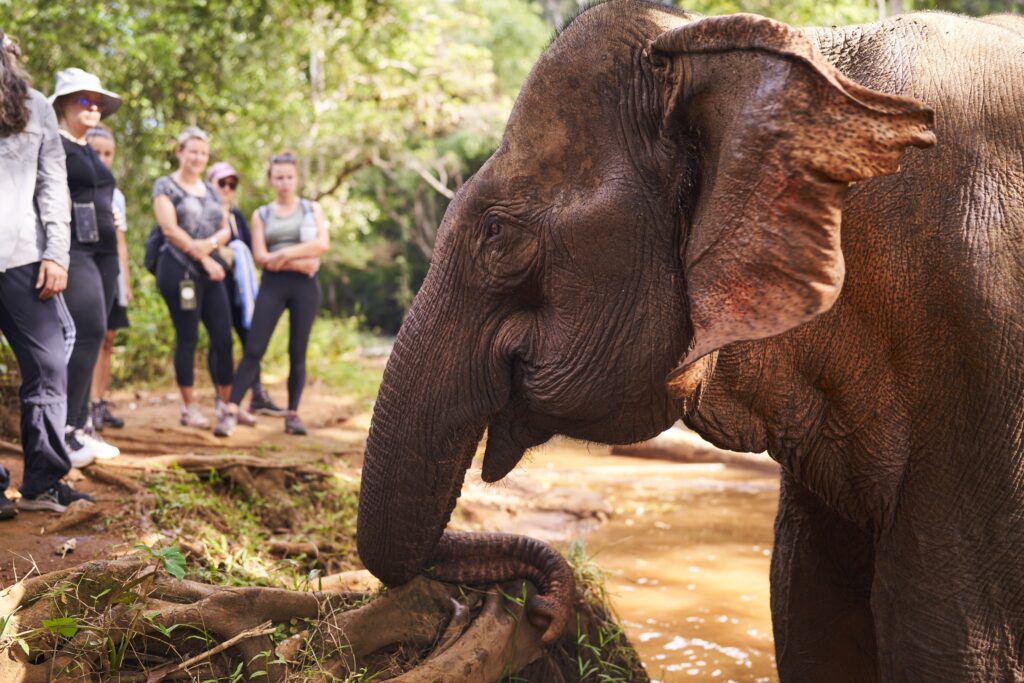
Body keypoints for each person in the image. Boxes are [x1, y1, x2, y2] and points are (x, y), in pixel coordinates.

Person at [0, 31, 94, 517]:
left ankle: (41, 479)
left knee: (51, 361)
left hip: (23, 258)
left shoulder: (34, 107)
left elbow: (52, 187)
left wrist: (57, 254)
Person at [215, 152, 327, 437]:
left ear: (297, 178)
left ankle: (293, 414)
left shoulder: (311, 209)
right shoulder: (261, 214)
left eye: (289, 176)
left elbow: (322, 245)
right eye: (279, 177)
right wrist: (301, 260)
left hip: (305, 288)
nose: (285, 182)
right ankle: (230, 410)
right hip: (273, 285)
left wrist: (285, 254)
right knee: (254, 348)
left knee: (297, 352)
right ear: (270, 179)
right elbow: (261, 256)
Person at [50, 68, 123, 462]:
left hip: (105, 250)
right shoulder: (53, 144)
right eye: (84, 100)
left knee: (98, 333)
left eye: (98, 103)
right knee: (85, 329)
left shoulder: (88, 147)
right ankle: (63, 429)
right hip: (74, 249)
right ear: (62, 103)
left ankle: (80, 427)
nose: (93, 107)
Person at [152, 127, 234, 429]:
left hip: (211, 272)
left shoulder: (212, 189)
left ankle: (225, 407)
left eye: (203, 152)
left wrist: (210, 247)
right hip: (180, 271)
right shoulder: (165, 186)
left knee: (223, 337)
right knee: (188, 336)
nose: (198, 157)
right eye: (193, 151)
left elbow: (226, 229)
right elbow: (170, 230)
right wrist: (202, 256)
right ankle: (188, 409)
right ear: (180, 152)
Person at [206, 161, 286, 422]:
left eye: (232, 184)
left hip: (242, 290)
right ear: (210, 184)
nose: (227, 188)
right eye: (222, 183)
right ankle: (223, 397)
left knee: (251, 340)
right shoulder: (205, 213)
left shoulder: (237, 215)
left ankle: (256, 394)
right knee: (220, 342)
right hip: (216, 285)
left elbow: (250, 249)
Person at [86, 125, 129, 431]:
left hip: (112, 272)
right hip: (86, 272)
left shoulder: (117, 196)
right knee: (90, 338)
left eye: (107, 153)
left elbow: (120, 241)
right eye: (96, 151)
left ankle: (100, 402)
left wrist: (124, 283)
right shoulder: (74, 186)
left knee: (108, 338)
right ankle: (84, 406)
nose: (102, 158)